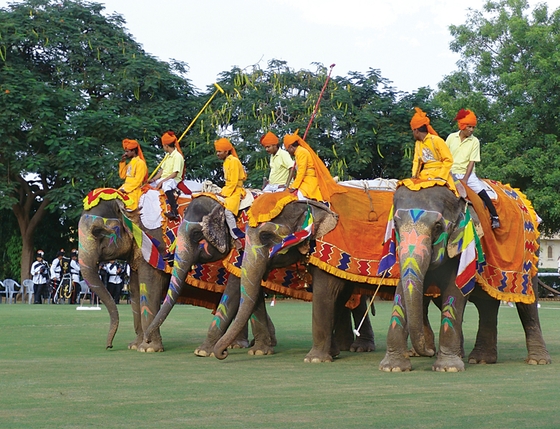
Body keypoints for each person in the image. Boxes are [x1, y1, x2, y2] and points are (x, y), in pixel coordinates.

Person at [446, 109, 500, 229]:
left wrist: (465, 179)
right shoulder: (451, 137)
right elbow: (445, 156)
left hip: (467, 174)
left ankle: (494, 216)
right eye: (469, 127)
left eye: (473, 127)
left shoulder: (475, 141)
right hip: (450, 172)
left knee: (481, 192)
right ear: (462, 126)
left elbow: (472, 161)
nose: (471, 130)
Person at [409, 107, 458, 196]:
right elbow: (416, 161)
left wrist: (441, 177)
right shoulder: (418, 144)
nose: (413, 133)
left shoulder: (437, 140)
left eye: (412, 130)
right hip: (423, 176)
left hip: (439, 174)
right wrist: (414, 176)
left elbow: (448, 160)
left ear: (416, 130)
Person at [214, 137, 247, 243]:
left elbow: (233, 182)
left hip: (235, 190)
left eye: (219, 151)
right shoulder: (226, 162)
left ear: (226, 151)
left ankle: (235, 237)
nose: (217, 154)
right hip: (228, 189)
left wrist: (224, 194)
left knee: (228, 212)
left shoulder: (233, 161)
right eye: (217, 152)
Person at [149, 131, 185, 220]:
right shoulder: (167, 156)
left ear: (166, 146)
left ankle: (174, 212)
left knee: (166, 185)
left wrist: (161, 181)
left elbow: (174, 174)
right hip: (164, 178)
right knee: (148, 187)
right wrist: (153, 179)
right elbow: (162, 170)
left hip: (173, 179)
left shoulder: (177, 156)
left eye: (163, 146)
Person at [118, 138, 148, 211]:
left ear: (133, 151)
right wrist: (122, 162)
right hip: (124, 188)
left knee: (129, 207)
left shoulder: (141, 163)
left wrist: (126, 189)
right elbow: (122, 176)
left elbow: (138, 181)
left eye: (127, 151)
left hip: (134, 191)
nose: (126, 154)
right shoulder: (131, 162)